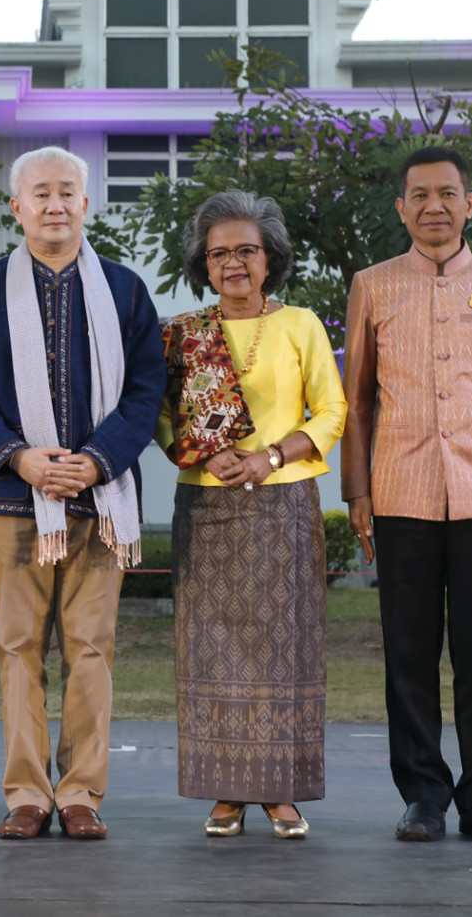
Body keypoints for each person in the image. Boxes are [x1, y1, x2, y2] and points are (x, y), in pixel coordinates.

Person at [0, 147, 165, 842]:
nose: (54, 205)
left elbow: (145, 390)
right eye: (39, 193)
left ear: (86, 204)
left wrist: (96, 461)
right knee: (18, 646)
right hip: (15, 498)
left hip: (101, 500)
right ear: (16, 208)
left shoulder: (125, 290)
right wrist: (20, 458)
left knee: (90, 646)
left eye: (67, 192)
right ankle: (25, 793)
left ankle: (80, 793)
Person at [342, 146, 472, 846]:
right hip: (399, 491)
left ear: (470, 204)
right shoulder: (371, 286)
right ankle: (422, 797)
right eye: (418, 195)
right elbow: (357, 402)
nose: (432, 206)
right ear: (401, 207)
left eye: (446, 194)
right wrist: (356, 493)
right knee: (406, 653)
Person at [159, 191, 347, 841]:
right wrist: (202, 454)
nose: (232, 262)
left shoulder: (299, 324)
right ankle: (225, 792)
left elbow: (330, 413)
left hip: (283, 504)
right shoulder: (184, 332)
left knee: (281, 653)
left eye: (245, 250)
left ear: (269, 258)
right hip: (205, 505)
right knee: (210, 651)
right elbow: (162, 417)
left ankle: (279, 794)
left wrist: (268, 456)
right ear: (202, 264)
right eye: (218, 253)